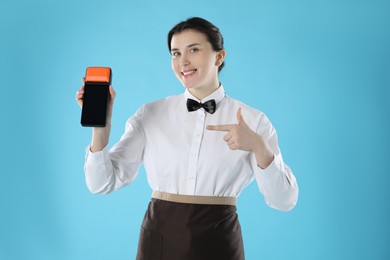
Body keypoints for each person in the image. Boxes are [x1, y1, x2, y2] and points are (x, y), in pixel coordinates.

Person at [76, 17, 298, 260]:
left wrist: (258, 146)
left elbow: (284, 201)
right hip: (158, 241)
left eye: (194, 49)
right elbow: (101, 183)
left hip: (220, 241)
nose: (183, 61)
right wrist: (101, 128)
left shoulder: (254, 121)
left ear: (219, 57)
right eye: (175, 53)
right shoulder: (150, 113)